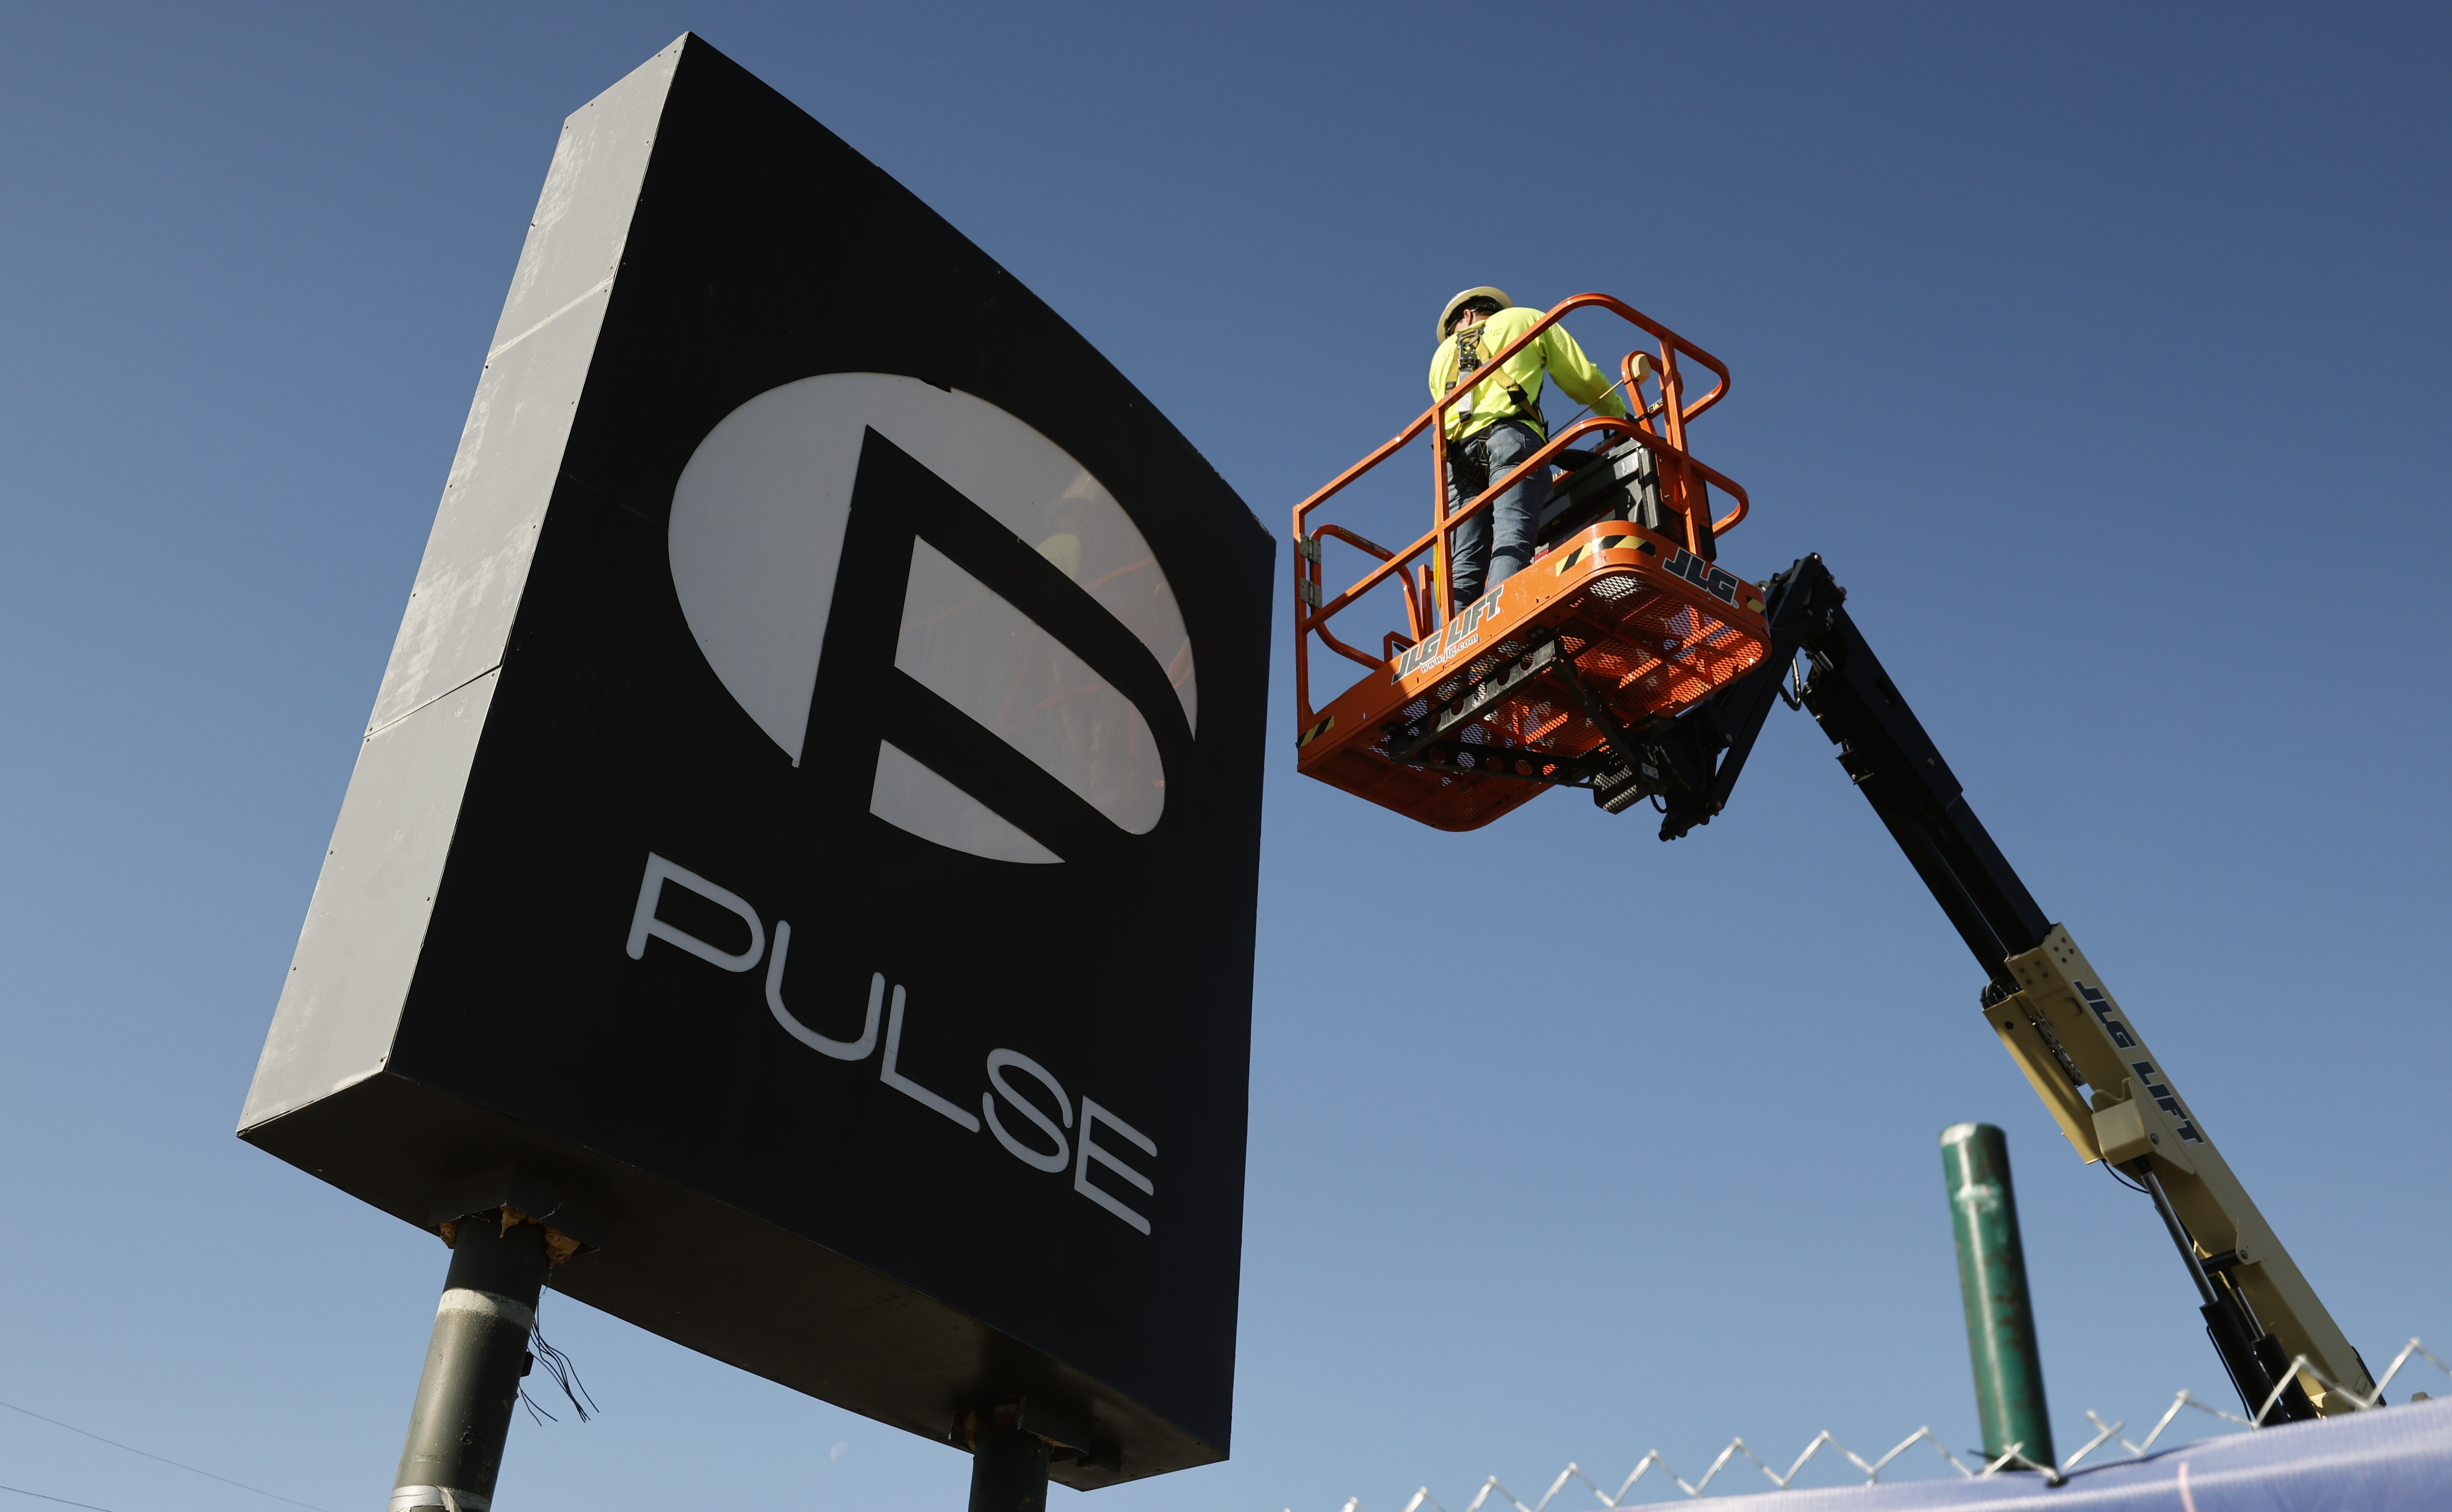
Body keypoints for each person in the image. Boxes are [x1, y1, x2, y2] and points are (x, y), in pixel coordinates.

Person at [1427, 287, 1630, 607]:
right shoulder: (1526, 319)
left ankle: (1453, 646)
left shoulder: (1439, 359)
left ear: (1466, 316)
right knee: (1513, 537)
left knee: (1464, 562)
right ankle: (1501, 620)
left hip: (1458, 462)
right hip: (1511, 439)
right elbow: (1582, 379)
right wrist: (1622, 416)